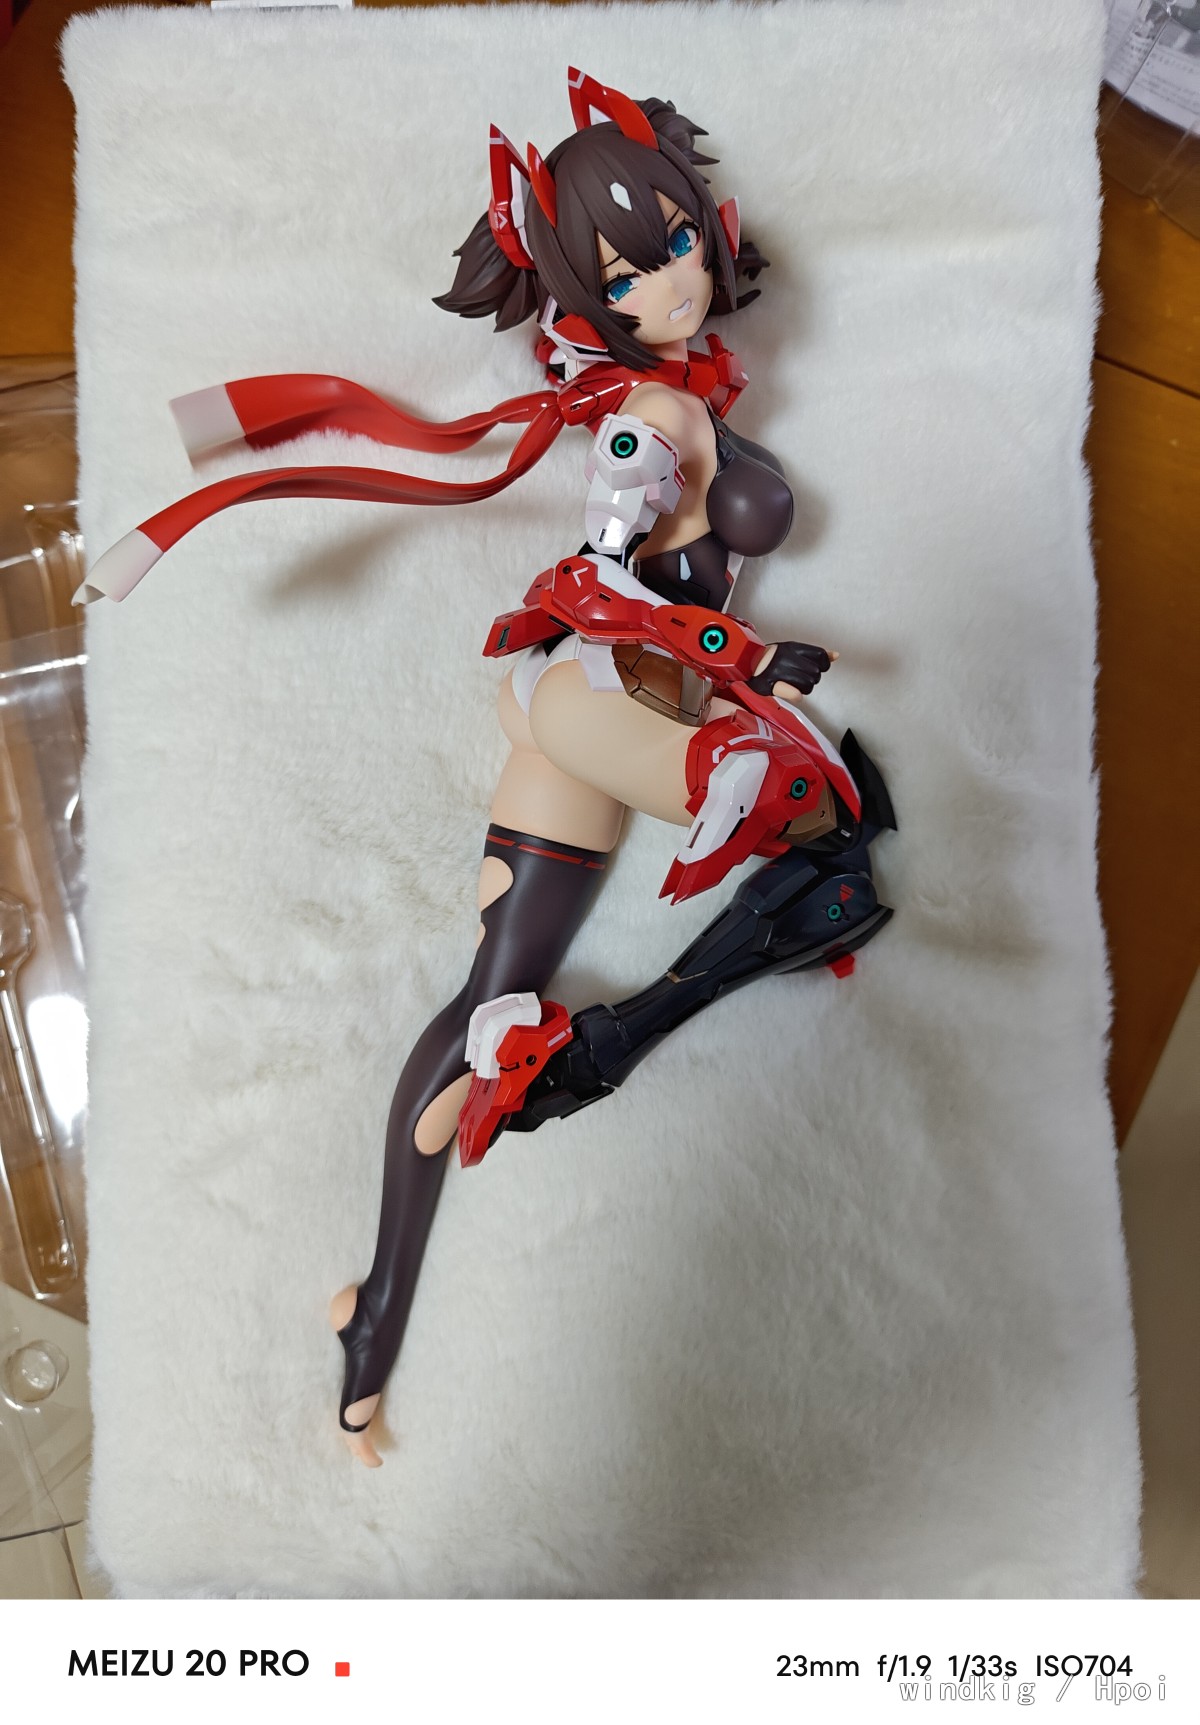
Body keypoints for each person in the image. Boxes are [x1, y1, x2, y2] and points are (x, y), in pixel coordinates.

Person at [78, 71, 894, 1470]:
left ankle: (375, 1316)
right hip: (595, 693)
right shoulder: (642, 421)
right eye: (628, 274)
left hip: (591, 722)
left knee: (484, 1003)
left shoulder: (673, 394)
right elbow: (599, 575)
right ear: (586, 295)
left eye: (675, 243)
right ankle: (675, 941)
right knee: (784, 805)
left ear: (709, 225)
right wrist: (738, 655)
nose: (672, 284)